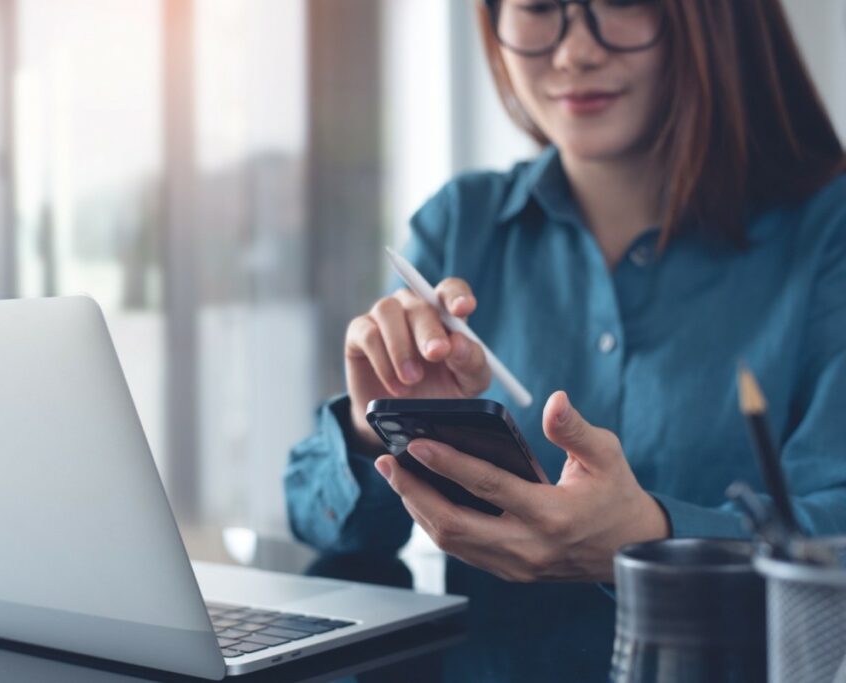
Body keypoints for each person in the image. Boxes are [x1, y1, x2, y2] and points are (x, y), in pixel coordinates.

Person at [285, 0, 846, 679]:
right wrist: (374, 422)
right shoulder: (461, 224)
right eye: (540, 7)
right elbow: (314, 517)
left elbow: (835, 533)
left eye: (623, 3)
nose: (574, 51)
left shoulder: (827, 236)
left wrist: (648, 540)